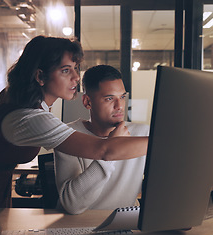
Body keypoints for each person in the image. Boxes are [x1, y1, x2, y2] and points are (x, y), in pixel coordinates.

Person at [0, 36, 148, 208]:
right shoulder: (29, 117)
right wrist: (166, 139)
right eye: (65, 71)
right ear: (40, 76)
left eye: (75, 69)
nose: (75, 78)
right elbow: (105, 150)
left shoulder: (24, 99)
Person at [54, 65, 149, 214]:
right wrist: (111, 149)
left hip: (124, 225)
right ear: (87, 102)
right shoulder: (67, 135)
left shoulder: (143, 133)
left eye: (122, 97)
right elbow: (72, 205)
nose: (119, 106)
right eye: (109, 98)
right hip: (79, 227)